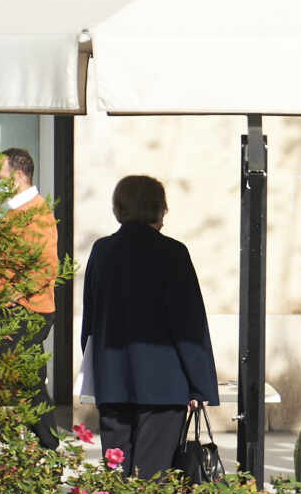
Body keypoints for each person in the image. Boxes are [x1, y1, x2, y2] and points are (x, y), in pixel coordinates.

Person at [81, 175, 219, 478]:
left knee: (116, 474)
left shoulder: (102, 251)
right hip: (163, 386)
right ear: (159, 209)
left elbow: (90, 320)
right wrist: (200, 383)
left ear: (119, 208)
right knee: (151, 478)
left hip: (113, 381)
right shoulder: (173, 253)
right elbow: (189, 325)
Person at [0, 148, 59, 449]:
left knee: (24, 382)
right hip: (15, 309)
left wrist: (12, 298)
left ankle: (47, 447)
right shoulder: (17, 211)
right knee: (22, 381)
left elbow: (46, 266)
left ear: (18, 175)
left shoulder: (37, 212)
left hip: (25, 310)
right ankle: (34, 449)